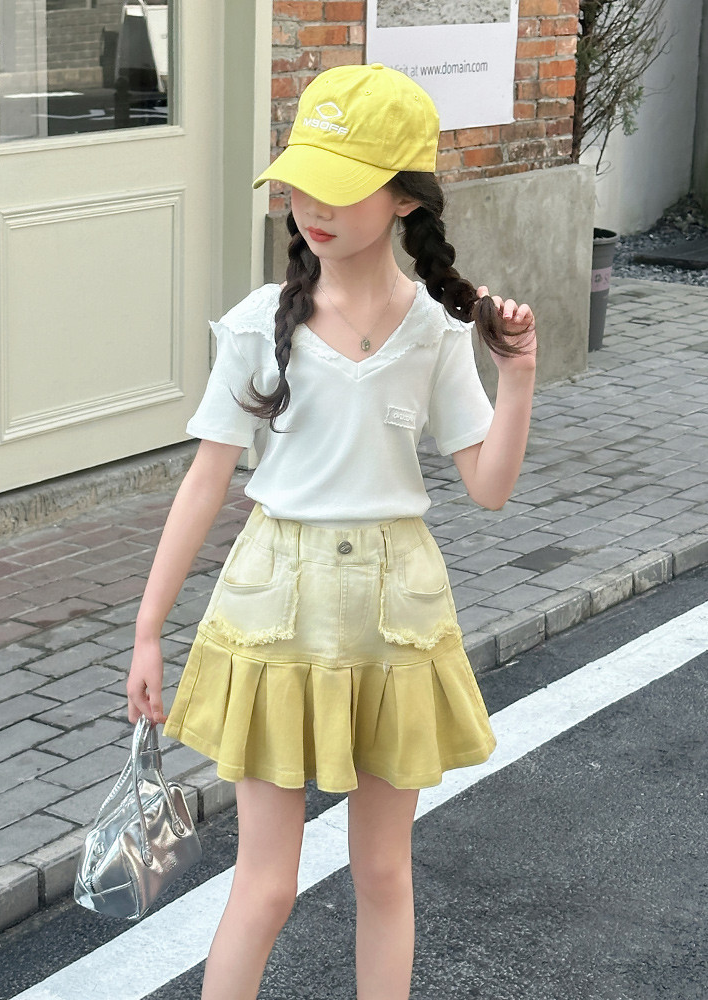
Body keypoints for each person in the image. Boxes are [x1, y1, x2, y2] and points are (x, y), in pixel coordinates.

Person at [127, 63, 536, 1000]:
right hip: (275, 608)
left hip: (398, 613)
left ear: (404, 199)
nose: (310, 205)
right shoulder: (255, 327)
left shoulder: (436, 330)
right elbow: (205, 483)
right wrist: (149, 631)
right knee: (266, 885)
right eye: (300, 180)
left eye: (339, 186)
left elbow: (489, 486)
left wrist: (517, 378)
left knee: (383, 873)